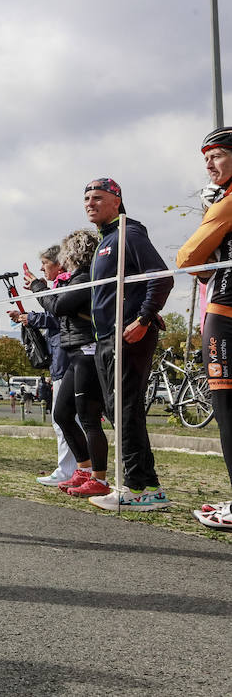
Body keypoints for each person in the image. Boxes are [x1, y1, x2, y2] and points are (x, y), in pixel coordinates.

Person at [83, 177, 173, 511]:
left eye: (98, 197)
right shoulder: (105, 239)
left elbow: (161, 278)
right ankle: (147, 485)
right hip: (105, 339)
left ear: (116, 201)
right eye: (86, 198)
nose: (90, 203)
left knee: (125, 409)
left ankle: (138, 488)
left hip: (128, 336)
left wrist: (144, 319)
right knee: (117, 411)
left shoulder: (128, 233)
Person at [176, 127, 232, 529]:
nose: (209, 165)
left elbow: (186, 257)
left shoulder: (226, 202)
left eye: (216, 155)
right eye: (205, 159)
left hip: (225, 314)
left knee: (228, 412)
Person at [32, 230, 110, 498]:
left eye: (65, 252)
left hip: (88, 350)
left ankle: (99, 477)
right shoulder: (74, 278)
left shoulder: (85, 276)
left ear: (73, 253)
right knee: (62, 414)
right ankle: (84, 469)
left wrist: (39, 288)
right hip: (73, 352)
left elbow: (58, 306)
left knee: (89, 419)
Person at [10, 245, 79, 487]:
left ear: (59, 264)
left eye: (45, 264)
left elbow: (60, 317)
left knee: (64, 420)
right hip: (61, 359)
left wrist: (32, 317)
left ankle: (69, 469)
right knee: (69, 419)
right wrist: (28, 317)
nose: (41, 268)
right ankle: (77, 469)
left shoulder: (68, 285)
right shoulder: (61, 286)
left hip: (66, 359)